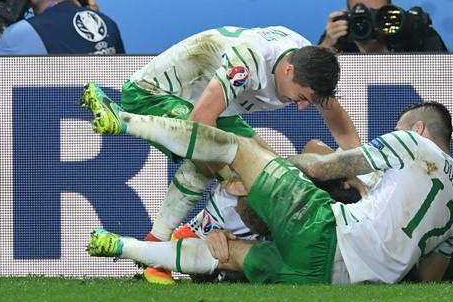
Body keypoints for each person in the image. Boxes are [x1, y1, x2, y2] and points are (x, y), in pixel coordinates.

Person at [80, 24, 361, 284]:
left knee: (270, 170)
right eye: (302, 97)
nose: (302, 107)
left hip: (208, 106)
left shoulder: (307, 62)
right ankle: (124, 121)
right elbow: (200, 125)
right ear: (288, 70)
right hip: (153, 94)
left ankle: (157, 250)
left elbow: (339, 123)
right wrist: (231, 178)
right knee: (229, 163)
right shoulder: (248, 62)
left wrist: (364, 174)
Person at [84, 100, 453, 284]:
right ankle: (120, 246)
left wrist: (276, 167)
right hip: (332, 280)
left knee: (237, 146)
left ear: (417, 129)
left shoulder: (412, 144)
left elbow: (322, 168)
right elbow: (428, 278)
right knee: (228, 253)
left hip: (327, 234)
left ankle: (126, 121)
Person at [319, 0, 447, 53]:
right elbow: (313, 83)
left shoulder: (415, 32)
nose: (369, 21)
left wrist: (380, 51)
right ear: (347, 12)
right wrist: (326, 46)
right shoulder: (340, 35)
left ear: (390, 10)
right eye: (360, 14)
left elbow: (444, 79)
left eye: (376, 13)